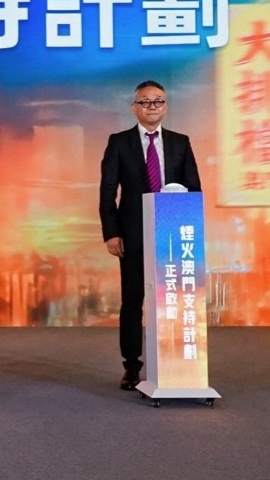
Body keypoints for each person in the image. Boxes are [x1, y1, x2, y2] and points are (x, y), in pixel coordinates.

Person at [99, 80, 201, 390]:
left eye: (158, 101)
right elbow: (107, 191)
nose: (152, 106)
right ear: (135, 108)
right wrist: (112, 233)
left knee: (174, 299)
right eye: (145, 101)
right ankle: (132, 366)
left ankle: (175, 362)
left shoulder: (180, 142)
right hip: (133, 234)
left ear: (166, 106)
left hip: (173, 234)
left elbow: (194, 188)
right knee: (133, 300)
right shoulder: (119, 142)